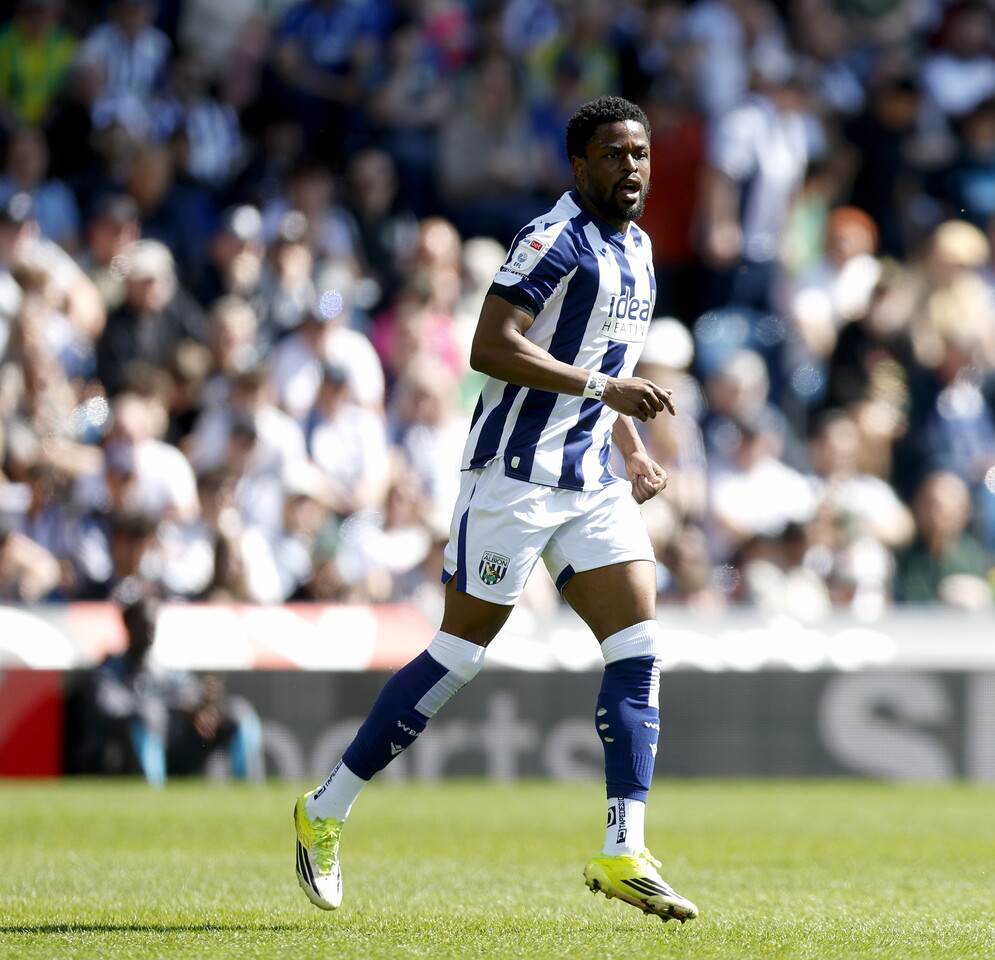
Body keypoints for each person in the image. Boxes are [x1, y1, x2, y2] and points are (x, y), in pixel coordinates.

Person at [293, 95, 698, 923]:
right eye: (616, 154)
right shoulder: (553, 239)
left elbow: (602, 360)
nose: (633, 168)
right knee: (459, 656)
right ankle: (324, 808)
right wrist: (601, 388)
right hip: (511, 478)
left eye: (642, 153)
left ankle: (625, 847)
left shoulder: (641, 249)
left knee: (638, 644)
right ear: (579, 165)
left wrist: (628, 447)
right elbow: (491, 345)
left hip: (588, 480)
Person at [73, 593, 264, 785]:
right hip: (123, 758)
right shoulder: (109, 670)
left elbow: (190, 697)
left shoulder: (167, 670)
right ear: (128, 626)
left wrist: (203, 706)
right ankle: (152, 791)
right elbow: (110, 708)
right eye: (143, 625)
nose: (149, 633)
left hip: (176, 751)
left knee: (238, 710)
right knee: (147, 715)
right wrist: (170, 708)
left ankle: (251, 788)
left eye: (152, 626)